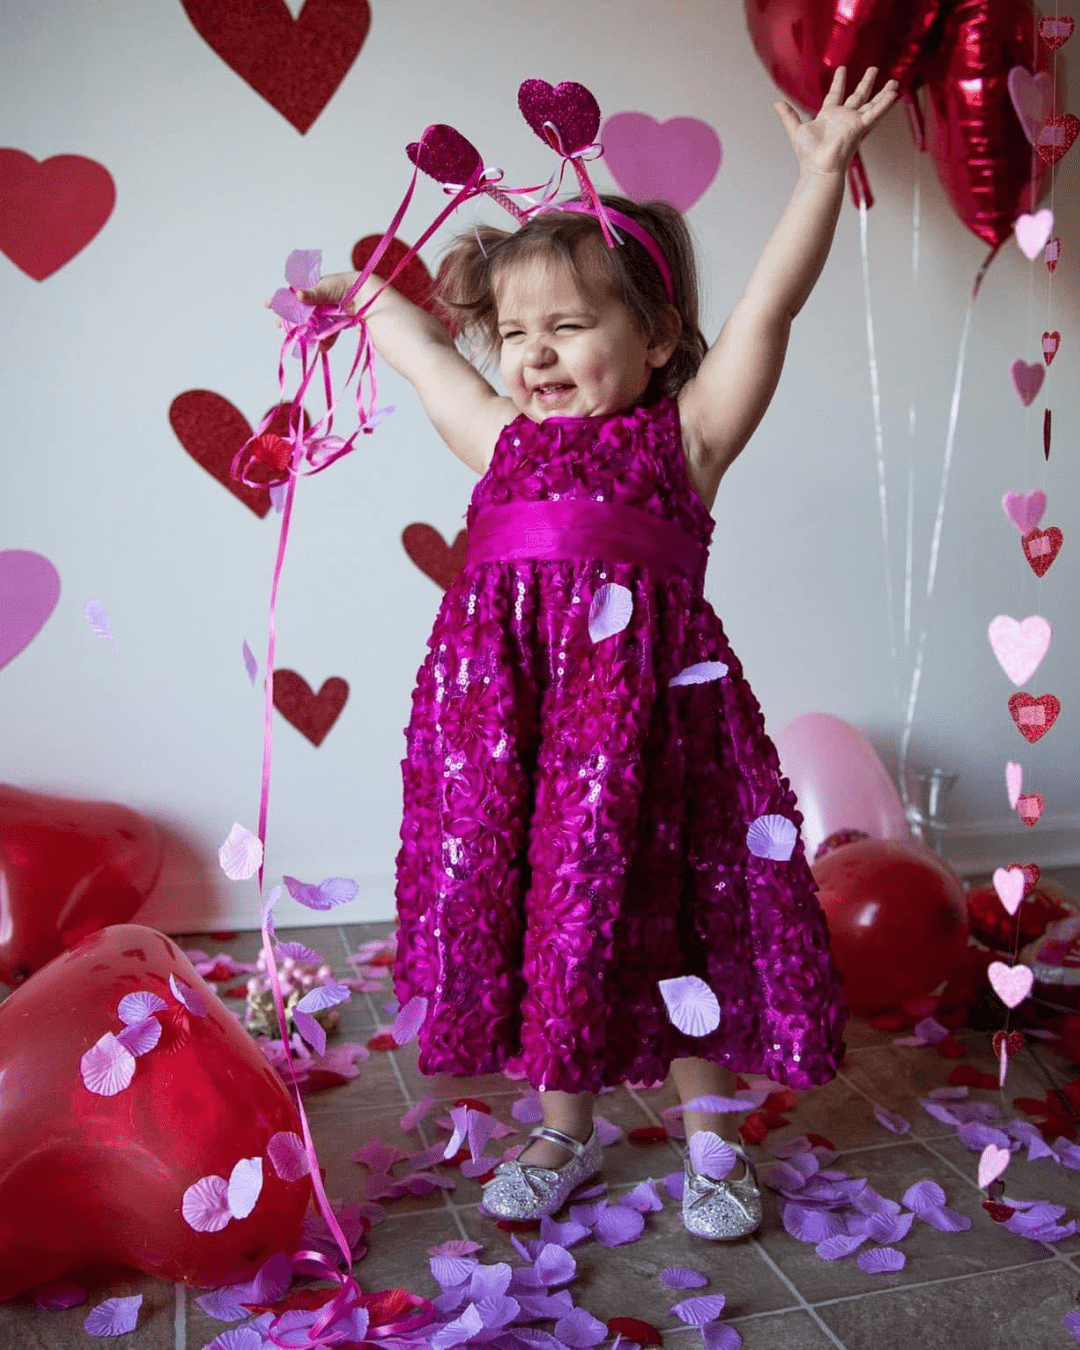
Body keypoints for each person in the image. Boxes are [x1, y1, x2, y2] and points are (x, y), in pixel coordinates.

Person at [298, 66, 898, 1238]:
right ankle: (563, 1127)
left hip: (651, 740)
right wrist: (365, 297)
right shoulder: (503, 440)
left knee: (670, 914)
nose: (535, 354)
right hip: (514, 737)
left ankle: (713, 1139)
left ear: (660, 333)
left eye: (569, 325)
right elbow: (429, 358)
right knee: (550, 914)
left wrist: (821, 175)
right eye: (516, 333)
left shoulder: (689, 436)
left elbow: (769, 309)